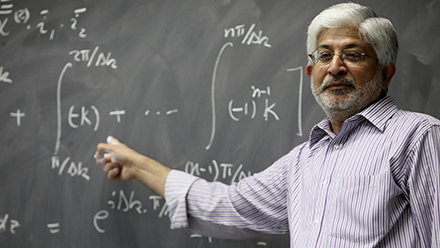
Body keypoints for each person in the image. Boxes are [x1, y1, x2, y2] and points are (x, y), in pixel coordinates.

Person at [95, 2, 440, 247]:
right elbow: (226, 206)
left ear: (385, 74)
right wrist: (137, 165)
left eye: (353, 54)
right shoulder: (303, 161)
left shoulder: (417, 137)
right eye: (324, 55)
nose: (335, 66)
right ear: (311, 73)